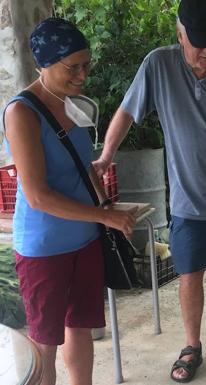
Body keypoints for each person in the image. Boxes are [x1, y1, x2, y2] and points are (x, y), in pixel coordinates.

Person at [92, 0, 206, 382]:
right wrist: (106, 155)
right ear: (179, 35)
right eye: (198, 51)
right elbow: (126, 111)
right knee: (189, 273)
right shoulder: (158, 65)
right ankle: (192, 346)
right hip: (187, 199)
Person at [3, 18, 136, 385]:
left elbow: (82, 165)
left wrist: (103, 199)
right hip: (44, 248)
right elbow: (37, 194)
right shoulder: (21, 113)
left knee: (80, 327)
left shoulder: (72, 103)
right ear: (43, 65)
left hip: (85, 240)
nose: (82, 75)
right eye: (72, 67)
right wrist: (103, 217)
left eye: (86, 64)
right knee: (44, 342)